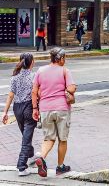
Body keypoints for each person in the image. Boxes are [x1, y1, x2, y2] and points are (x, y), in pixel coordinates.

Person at [32, 47, 76, 177]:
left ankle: (42, 157)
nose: (65, 60)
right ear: (61, 59)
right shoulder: (64, 71)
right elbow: (71, 88)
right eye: (64, 58)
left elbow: (34, 91)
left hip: (45, 109)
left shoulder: (40, 71)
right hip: (62, 108)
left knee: (49, 138)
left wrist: (35, 108)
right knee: (62, 139)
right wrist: (72, 89)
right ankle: (60, 167)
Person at [1, 53, 38, 176]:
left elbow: (11, 95)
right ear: (31, 62)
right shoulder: (34, 76)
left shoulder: (14, 77)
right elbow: (37, 94)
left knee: (25, 135)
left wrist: (5, 112)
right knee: (26, 138)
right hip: (28, 107)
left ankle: (31, 155)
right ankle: (21, 166)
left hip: (17, 108)